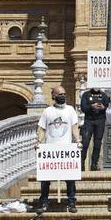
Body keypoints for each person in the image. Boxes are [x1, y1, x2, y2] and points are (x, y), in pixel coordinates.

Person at [36, 85, 80, 213]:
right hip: (50, 149)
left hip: (67, 149)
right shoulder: (47, 111)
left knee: (70, 178)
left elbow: (75, 127)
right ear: (54, 96)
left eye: (64, 94)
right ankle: (43, 202)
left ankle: (71, 202)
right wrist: (38, 141)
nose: (63, 96)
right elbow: (42, 128)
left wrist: (78, 141)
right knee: (45, 179)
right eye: (60, 94)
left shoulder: (70, 110)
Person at [80, 86, 110, 170]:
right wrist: (92, 106)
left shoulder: (103, 95)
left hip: (100, 121)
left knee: (97, 144)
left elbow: (108, 108)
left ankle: (94, 164)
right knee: (85, 143)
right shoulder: (86, 94)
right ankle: (81, 163)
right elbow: (83, 108)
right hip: (89, 121)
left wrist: (103, 107)